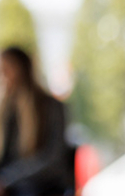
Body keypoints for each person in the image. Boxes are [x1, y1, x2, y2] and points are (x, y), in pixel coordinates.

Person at [0, 47, 73, 196]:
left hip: (40, 185)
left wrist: (8, 178)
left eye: (7, 68)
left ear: (23, 69)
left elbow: (53, 159)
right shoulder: (6, 109)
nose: (3, 75)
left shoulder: (50, 107)